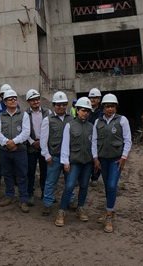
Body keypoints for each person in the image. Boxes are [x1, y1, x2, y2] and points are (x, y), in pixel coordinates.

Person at [92, 93, 132, 233]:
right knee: (107, 186)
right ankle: (110, 210)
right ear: (103, 107)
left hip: (116, 160)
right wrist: (95, 158)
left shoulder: (122, 120)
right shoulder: (98, 122)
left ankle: (109, 216)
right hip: (103, 160)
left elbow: (128, 140)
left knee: (111, 185)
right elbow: (94, 141)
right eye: (107, 106)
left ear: (116, 107)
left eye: (112, 106)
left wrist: (124, 157)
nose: (110, 109)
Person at [55, 97, 95, 227]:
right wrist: (65, 162)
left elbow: (93, 145)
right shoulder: (70, 125)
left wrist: (95, 159)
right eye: (83, 110)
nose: (85, 113)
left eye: (88, 111)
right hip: (74, 162)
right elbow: (65, 144)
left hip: (87, 162)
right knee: (70, 185)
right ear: (77, 110)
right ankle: (62, 211)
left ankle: (80, 207)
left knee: (84, 185)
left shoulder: (91, 127)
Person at [0, 89, 31, 213]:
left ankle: (23, 199)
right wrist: (7, 143)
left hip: (20, 151)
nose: (13, 100)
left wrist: (14, 142)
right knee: (7, 174)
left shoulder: (23, 115)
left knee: (22, 175)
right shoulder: (0, 116)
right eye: (10, 99)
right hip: (5, 151)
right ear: (5, 102)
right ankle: (9, 195)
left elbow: (26, 132)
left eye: (15, 98)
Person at [41, 91, 73, 215]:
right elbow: (44, 140)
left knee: (70, 181)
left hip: (68, 158)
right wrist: (46, 155)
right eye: (58, 104)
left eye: (64, 104)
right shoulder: (48, 120)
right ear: (54, 105)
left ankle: (71, 200)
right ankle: (47, 204)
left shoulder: (71, 119)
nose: (61, 107)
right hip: (53, 156)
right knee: (50, 181)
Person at [25, 88, 51, 205]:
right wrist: (32, 142)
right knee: (30, 171)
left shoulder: (48, 112)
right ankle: (30, 194)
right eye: (32, 100)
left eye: (37, 99)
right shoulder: (25, 114)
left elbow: (51, 129)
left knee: (45, 171)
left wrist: (43, 142)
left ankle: (45, 193)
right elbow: (24, 131)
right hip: (31, 146)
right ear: (28, 102)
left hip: (44, 146)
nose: (35, 102)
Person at [88, 87, 103, 186]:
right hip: (87, 137)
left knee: (98, 157)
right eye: (91, 98)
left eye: (95, 98)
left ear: (99, 99)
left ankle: (95, 177)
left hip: (98, 138)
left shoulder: (102, 112)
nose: (93, 100)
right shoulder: (86, 110)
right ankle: (87, 175)